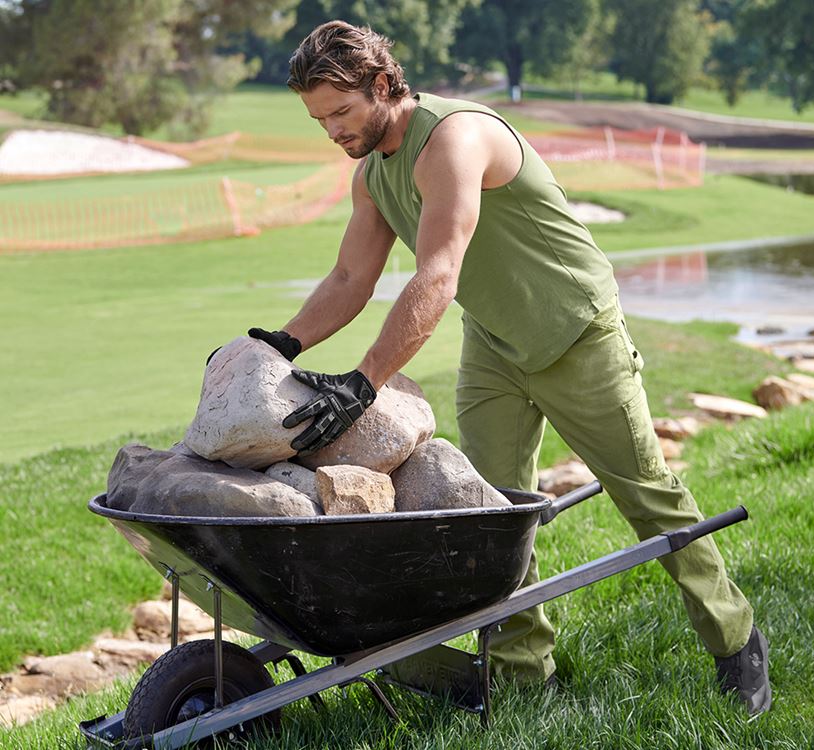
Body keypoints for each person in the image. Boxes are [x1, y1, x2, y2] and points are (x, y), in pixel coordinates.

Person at [245, 20, 771, 715]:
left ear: (381, 85)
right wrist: (282, 344)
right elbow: (349, 276)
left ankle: (735, 642)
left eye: (340, 113)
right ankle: (525, 672)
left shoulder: (454, 139)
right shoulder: (373, 174)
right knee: (495, 515)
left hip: (576, 332)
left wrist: (364, 381)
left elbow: (436, 273)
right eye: (319, 120)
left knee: (647, 495)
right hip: (495, 344)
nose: (333, 132)